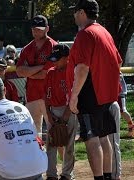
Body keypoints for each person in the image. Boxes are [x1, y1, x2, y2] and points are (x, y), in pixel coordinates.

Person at [67, 0, 122, 179]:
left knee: (91, 138)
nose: (74, 15)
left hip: (90, 92)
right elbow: (118, 61)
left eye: (75, 12)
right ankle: (107, 177)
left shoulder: (85, 34)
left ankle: (99, 177)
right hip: (105, 94)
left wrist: (74, 96)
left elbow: (83, 68)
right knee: (103, 136)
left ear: (82, 12)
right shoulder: (105, 32)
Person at [0, 75, 48, 180]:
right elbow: (36, 139)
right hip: (38, 167)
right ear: (5, 90)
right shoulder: (22, 107)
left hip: (12, 173)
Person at [16, 15, 57, 134]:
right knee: (32, 132)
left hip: (50, 95)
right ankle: (38, 153)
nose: (36, 31)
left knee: (55, 131)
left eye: (39, 28)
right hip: (32, 94)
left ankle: (61, 154)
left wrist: (29, 72)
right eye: (34, 28)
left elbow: (46, 74)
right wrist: (40, 67)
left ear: (47, 29)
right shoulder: (27, 48)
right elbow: (19, 71)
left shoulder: (54, 46)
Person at [45, 44, 78, 180]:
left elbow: (74, 96)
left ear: (67, 58)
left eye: (57, 59)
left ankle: (67, 174)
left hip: (69, 110)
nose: (54, 62)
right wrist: (49, 116)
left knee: (69, 143)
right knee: (51, 144)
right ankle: (51, 174)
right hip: (54, 111)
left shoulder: (74, 72)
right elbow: (45, 97)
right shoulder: (51, 73)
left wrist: (65, 117)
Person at [118, 72, 134, 138]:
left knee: (123, 110)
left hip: (120, 93)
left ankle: (132, 128)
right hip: (115, 93)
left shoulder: (117, 70)